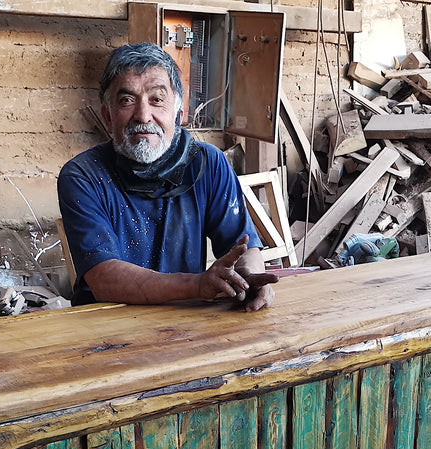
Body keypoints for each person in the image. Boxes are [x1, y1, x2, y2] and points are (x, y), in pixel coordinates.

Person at [57, 43, 276, 312]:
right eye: (126, 100)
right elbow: (103, 278)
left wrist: (249, 277)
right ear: (107, 116)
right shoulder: (82, 176)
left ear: (178, 113)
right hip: (106, 324)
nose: (143, 115)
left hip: (183, 318)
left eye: (157, 99)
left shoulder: (207, 163)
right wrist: (196, 286)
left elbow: (243, 246)